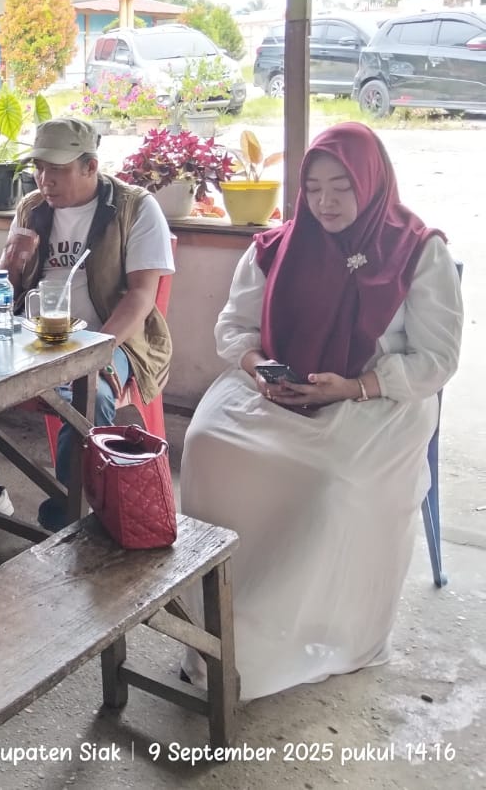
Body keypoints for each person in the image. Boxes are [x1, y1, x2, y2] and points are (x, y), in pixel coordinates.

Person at [179, 122, 462, 699]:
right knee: (207, 443)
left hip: (378, 400)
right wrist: (259, 367)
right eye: (313, 188)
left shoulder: (419, 250)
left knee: (330, 481)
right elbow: (233, 328)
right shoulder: (278, 245)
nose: (326, 203)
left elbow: (437, 358)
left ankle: (296, 631)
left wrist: (354, 387)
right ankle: (217, 612)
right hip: (281, 388)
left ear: (372, 182)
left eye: (342, 187)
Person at [0, 118, 174, 532]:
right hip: (31, 335)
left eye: (57, 169)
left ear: (90, 166)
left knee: (89, 396)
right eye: (39, 167)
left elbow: (141, 297)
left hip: (113, 339)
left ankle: (67, 513)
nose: (44, 179)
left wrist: (95, 351)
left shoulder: (135, 208)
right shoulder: (33, 207)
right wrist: (12, 261)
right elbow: (2, 289)